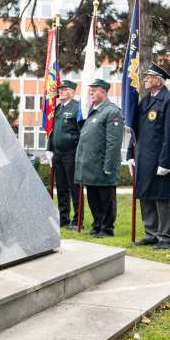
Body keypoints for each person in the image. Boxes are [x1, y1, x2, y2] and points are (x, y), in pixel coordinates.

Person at [126, 63, 170, 250]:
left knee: (161, 198)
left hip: (159, 159)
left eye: (149, 77)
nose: (145, 79)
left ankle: (164, 237)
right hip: (143, 158)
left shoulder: (169, 100)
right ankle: (151, 233)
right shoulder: (145, 101)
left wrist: (165, 161)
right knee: (145, 195)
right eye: (145, 76)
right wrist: (130, 153)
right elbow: (134, 131)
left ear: (158, 80)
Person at [74, 78, 124, 238]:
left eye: (94, 90)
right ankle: (97, 225)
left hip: (103, 166)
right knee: (94, 198)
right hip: (91, 166)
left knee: (106, 199)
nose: (90, 93)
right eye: (90, 90)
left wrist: (109, 165)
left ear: (103, 91)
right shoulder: (94, 110)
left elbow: (113, 143)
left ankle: (107, 228)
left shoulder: (111, 111)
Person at [46, 81, 82, 229]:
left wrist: (76, 148)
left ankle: (77, 220)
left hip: (71, 153)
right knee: (61, 187)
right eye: (60, 90)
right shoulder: (58, 109)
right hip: (58, 153)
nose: (60, 92)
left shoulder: (77, 108)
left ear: (72, 93)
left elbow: (81, 132)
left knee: (74, 187)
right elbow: (52, 130)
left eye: (64, 90)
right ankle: (63, 217)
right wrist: (49, 148)